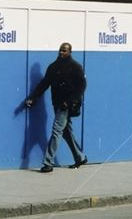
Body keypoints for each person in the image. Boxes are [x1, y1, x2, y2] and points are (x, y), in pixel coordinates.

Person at [24, 42, 88, 172]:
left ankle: (48, 162)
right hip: (57, 104)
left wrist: (69, 102)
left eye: (64, 51)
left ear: (70, 52)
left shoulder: (75, 67)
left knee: (56, 130)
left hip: (67, 105)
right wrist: (32, 98)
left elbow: (81, 87)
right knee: (66, 131)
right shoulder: (53, 67)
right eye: (60, 50)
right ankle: (80, 157)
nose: (61, 52)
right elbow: (44, 84)